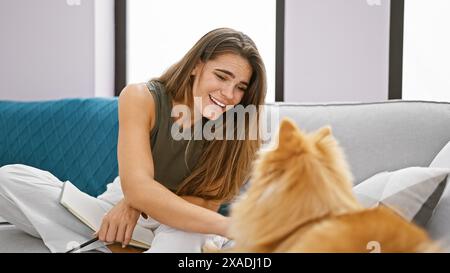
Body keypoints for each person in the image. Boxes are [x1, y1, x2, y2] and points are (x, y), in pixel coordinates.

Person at [0, 27, 267, 253]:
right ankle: (119, 240)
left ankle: (108, 243)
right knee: (9, 178)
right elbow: (136, 186)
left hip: (184, 219)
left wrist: (138, 202)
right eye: (221, 77)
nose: (229, 94)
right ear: (197, 65)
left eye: (241, 87)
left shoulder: (240, 127)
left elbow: (203, 204)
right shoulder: (141, 97)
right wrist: (133, 200)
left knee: (189, 232)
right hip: (115, 205)